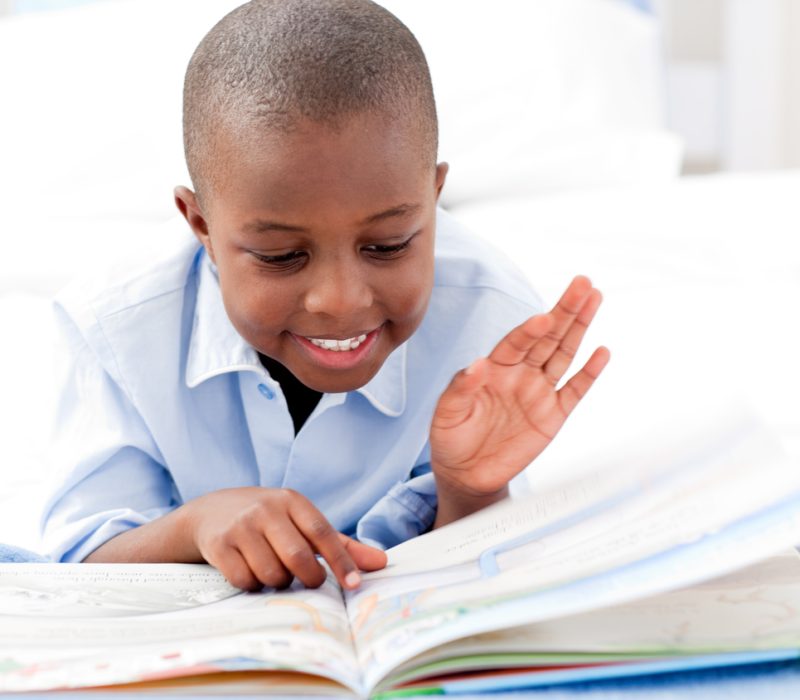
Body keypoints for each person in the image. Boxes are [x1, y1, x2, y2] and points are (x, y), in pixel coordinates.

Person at [39, 0, 609, 591]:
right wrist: (195, 526)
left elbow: (480, 570)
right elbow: (79, 561)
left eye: (388, 245)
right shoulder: (113, 327)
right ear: (201, 225)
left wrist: (472, 490)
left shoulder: (491, 323)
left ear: (434, 197)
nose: (339, 301)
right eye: (281, 256)